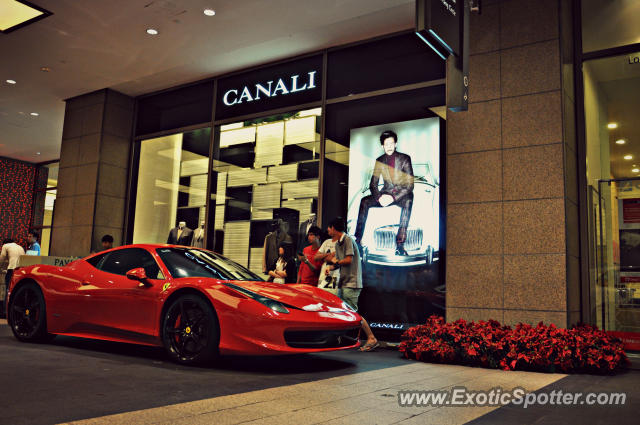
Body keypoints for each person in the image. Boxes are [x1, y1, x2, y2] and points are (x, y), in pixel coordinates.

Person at [354, 130, 414, 256]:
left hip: (400, 195)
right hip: (384, 194)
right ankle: (357, 242)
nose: (389, 146)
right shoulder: (379, 160)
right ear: (382, 146)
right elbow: (373, 184)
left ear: (396, 144)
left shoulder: (405, 158)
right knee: (364, 201)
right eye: (386, 144)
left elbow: (409, 185)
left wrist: (392, 197)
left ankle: (400, 245)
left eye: (392, 143)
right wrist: (380, 197)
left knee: (409, 199)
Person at [325, 218, 378, 352]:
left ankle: (371, 338)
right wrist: (330, 268)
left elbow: (348, 260)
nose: (327, 230)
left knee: (353, 312)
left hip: (352, 283)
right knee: (342, 312)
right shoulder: (337, 244)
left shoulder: (348, 239)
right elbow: (339, 263)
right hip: (343, 283)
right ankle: (342, 339)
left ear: (334, 229)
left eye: (329, 228)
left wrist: (335, 260)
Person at [0, 238, 26, 318]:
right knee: (17, 291)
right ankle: (16, 313)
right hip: (22, 270)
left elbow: (2, 259)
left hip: (12, 270)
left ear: (4, 243)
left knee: (7, 290)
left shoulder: (5, 246)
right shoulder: (20, 247)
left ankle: (4, 312)